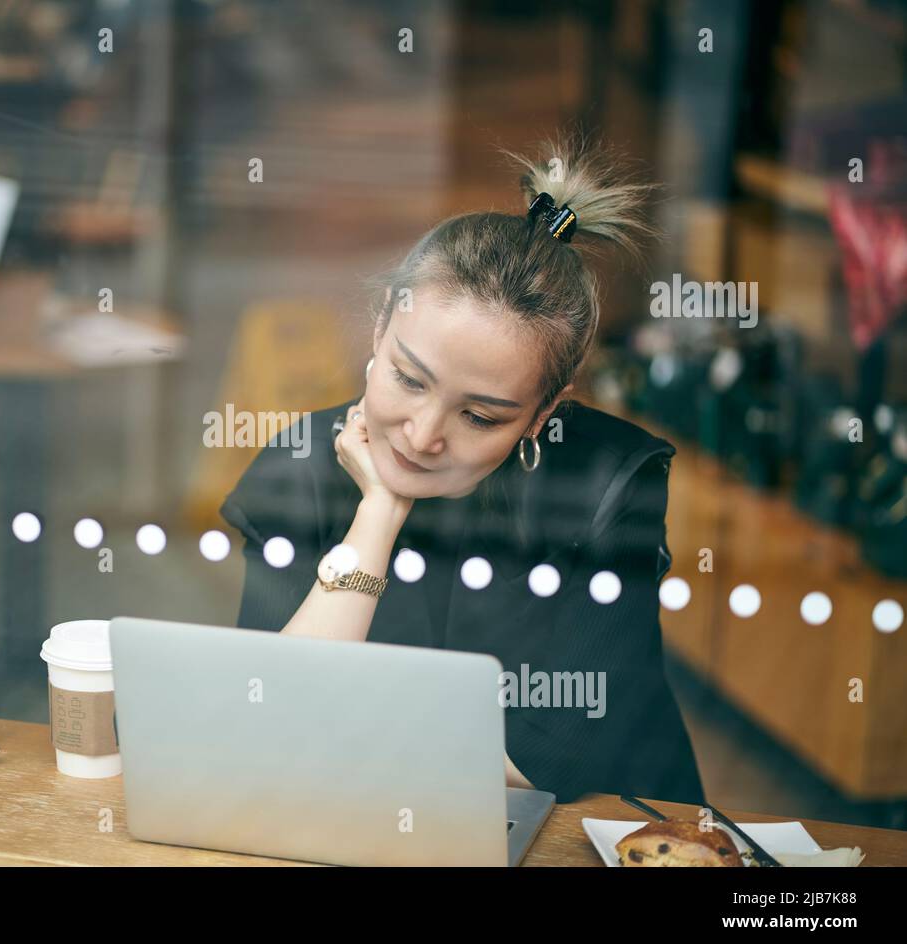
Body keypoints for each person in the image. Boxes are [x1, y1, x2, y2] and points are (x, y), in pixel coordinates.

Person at [220, 136, 706, 806]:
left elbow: (548, 760)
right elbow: (267, 724)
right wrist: (379, 514)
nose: (421, 438)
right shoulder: (300, 463)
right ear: (380, 326)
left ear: (542, 413)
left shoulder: (612, 481)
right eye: (408, 380)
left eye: (480, 417)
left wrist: (327, 739)